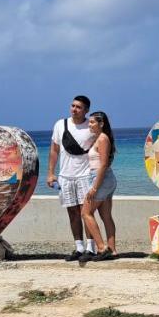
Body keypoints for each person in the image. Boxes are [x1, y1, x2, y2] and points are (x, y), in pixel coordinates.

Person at [47, 95, 96, 261]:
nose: (74, 109)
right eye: (73, 106)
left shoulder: (91, 127)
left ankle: (91, 248)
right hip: (65, 177)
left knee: (86, 212)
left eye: (79, 107)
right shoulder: (60, 125)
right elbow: (54, 150)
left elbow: (101, 148)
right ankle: (79, 248)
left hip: (85, 176)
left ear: (86, 110)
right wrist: (51, 173)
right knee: (72, 213)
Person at [80, 110, 118, 261]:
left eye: (92, 122)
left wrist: (94, 187)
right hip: (106, 179)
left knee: (85, 213)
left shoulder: (102, 139)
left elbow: (103, 165)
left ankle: (102, 248)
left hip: (100, 178)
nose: (89, 124)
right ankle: (113, 250)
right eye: (89, 122)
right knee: (106, 216)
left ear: (101, 124)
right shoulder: (100, 138)